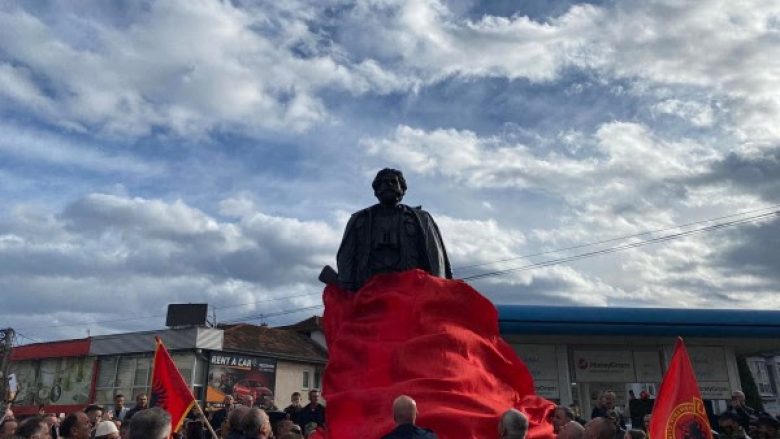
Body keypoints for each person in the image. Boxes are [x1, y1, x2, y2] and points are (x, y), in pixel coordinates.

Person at [333, 168, 452, 291]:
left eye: (393, 182)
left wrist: (437, 290)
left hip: (411, 289)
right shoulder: (359, 219)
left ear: (403, 190)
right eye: (383, 182)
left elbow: (435, 258)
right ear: (376, 191)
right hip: (369, 289)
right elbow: (346, 256)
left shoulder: (421, 218)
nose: (388, 185)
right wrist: (346, 288)